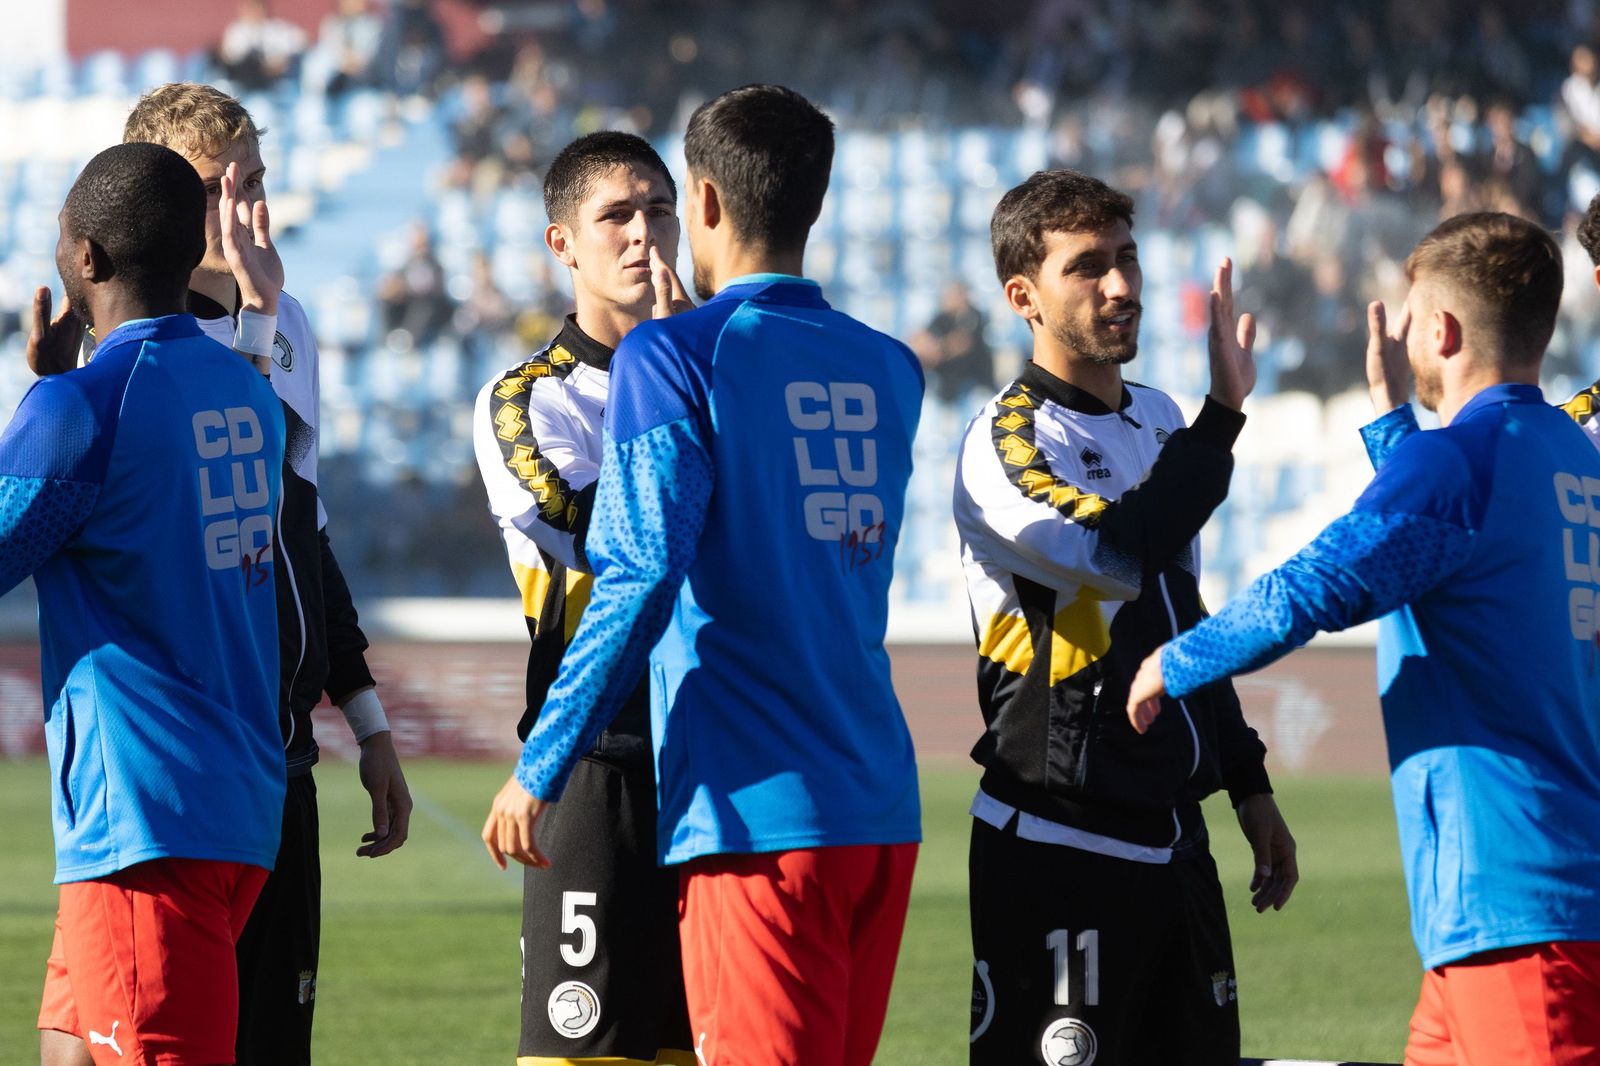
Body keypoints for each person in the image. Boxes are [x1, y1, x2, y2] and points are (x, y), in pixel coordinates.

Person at [481, 84, 924, 1066]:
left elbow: (638, 571)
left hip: (752, 807)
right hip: (879, 804)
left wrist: (537, 762)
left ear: (706, 204)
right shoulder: (892, 366)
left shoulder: (672, 355)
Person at [1127, 210, 1600, 1064]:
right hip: (1525, 905)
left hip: (1518, 901)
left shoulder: (1457, 465)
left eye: (1414, 316)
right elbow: (1462, 554)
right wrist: (1395, 433)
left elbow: (1313, 588)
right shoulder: (1572, 454)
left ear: (1444, 330)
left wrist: (1171, 661)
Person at [952, 169, 1297, 1066]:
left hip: (1178, 844)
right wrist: (1223, 419)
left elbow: (1185, 619)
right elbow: (1121, 551)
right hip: (1060, 842)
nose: (1121, 286)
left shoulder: (1159, 418)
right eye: (1089, 266)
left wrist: (1247, 786)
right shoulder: (1007, 441)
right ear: (1023, 296)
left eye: (1129, 259)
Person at [115, 82, 410, 1066]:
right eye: (213, 187)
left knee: (276, 1042)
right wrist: (255, 315)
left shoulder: (288, 327)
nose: (244, 209)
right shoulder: (116, 354)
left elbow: (299, 533)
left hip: (279, 759)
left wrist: (365, 720)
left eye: (256, 180)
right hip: (175, 769)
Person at [21, 141, 286, 1066]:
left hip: (145, 816)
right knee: (73, 1047)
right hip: (231, 804)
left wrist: (44, 397)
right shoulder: (246, 393)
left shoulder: (81, 408)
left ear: (85, 258)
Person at [471, 130, 694, 1066]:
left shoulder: (718, 374)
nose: (644, 235)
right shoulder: (525, 400)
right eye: (616, 216)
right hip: (593, 760)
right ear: (563, 243)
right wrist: (683, 384)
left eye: (659, 211)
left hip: (708, 754)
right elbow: (620, 540)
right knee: (580, 1054)